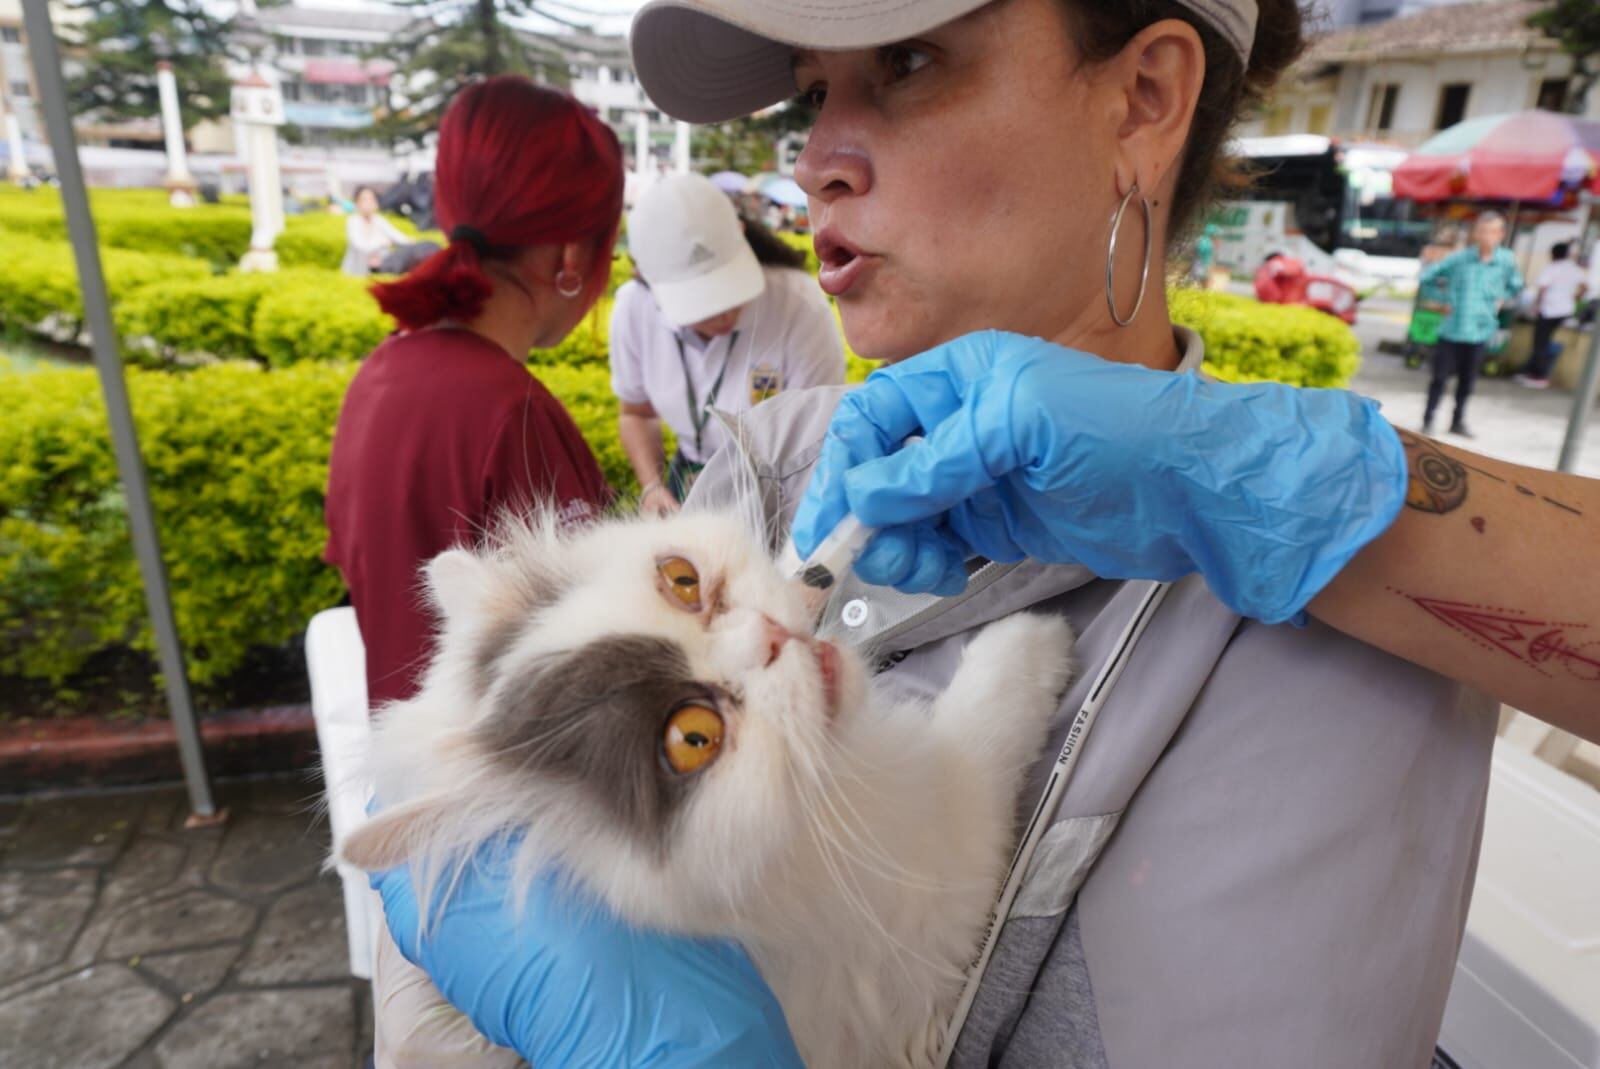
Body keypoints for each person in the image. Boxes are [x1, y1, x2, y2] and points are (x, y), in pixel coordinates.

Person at [365, 0, 1596, 1066]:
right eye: (809, 92)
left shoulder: (1324, 636)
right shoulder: (771, 454)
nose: (816, 163)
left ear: (1144, 97)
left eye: (905, 61)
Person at [325, 76, 623, 712]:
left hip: (410, 761)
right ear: (572, 255)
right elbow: (597, 653)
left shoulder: (380, 374)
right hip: (503, 789)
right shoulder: (513, 414)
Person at [611, 172, 845, 513]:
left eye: (728, 289)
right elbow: (636, 412)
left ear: (741, 236)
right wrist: (651, 486)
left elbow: (818, 438)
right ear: (645, 278)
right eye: (700, 302)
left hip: (779, 486)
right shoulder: (633, 306)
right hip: (686, 477)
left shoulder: (799, 304)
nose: (721, 314)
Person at [1418, 211, 1524, 437]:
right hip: (1453, 328)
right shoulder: (1460, 258)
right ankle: (1428, 419)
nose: (1486, 236)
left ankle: (1457, 421)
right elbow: (1427, 277)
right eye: (1482, 231)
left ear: (1500, 234)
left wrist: (1500, 298)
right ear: (1476, 233)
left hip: (1480, 330)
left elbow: (1516, 285)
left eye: (1491, 232)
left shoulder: (1505, 260)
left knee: (1468, 381)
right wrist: (1442, 300)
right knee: (1439, 379)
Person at [1518, 240, 1587, 388]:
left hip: (1549, 310)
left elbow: (1542, 289)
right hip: (1565, 311)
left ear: (1553, 254)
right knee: (1544, 342)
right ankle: (1530, 371)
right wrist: (1574, 298)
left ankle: (1539, 375)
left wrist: (1536, 306)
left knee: (1540, 343)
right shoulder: (1574, 269)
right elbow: (1584, 287)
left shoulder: (1552, 268)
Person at [341, 185, 412, 276]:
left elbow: (397, 236)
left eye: (371, 199)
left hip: (377, 269)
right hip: (357, 270)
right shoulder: (353, 221)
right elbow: (360, 245)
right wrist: (382, 243)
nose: (368, 203)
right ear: (357, 202)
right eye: (364, 199)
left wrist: (411, 243)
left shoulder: (379, 220)